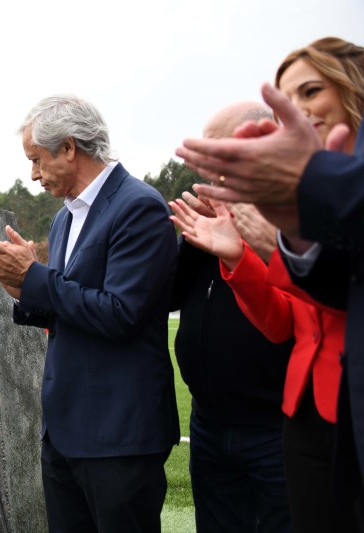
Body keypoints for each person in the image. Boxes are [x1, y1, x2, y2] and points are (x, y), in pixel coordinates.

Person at [0, 95, 179, 533]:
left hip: (118, 434)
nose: (33, 174)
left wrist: (35, 279)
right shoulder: (64, 219)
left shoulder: (139, 206)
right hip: (64, 432)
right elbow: (68, 306)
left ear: (68, 148)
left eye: (37, 159)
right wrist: (23, 289)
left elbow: (121, 313)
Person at [176, 37, 364, 527]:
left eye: (309, 90)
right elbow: (287, 323)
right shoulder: (292, 201)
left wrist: (273, 242)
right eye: (287, 98)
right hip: (304, 410)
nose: (296, 110)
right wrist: (244, 256)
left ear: (353, 87)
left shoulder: (315, 195)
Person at [170, 103, 294, 533]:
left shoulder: (288, 217)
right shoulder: (211, 218)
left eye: (216, 152)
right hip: (208, 423)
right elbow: (168, 295)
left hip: (275, 429)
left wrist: (245, 246)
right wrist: (193, 241)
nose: (206, 166)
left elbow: (286, 321)